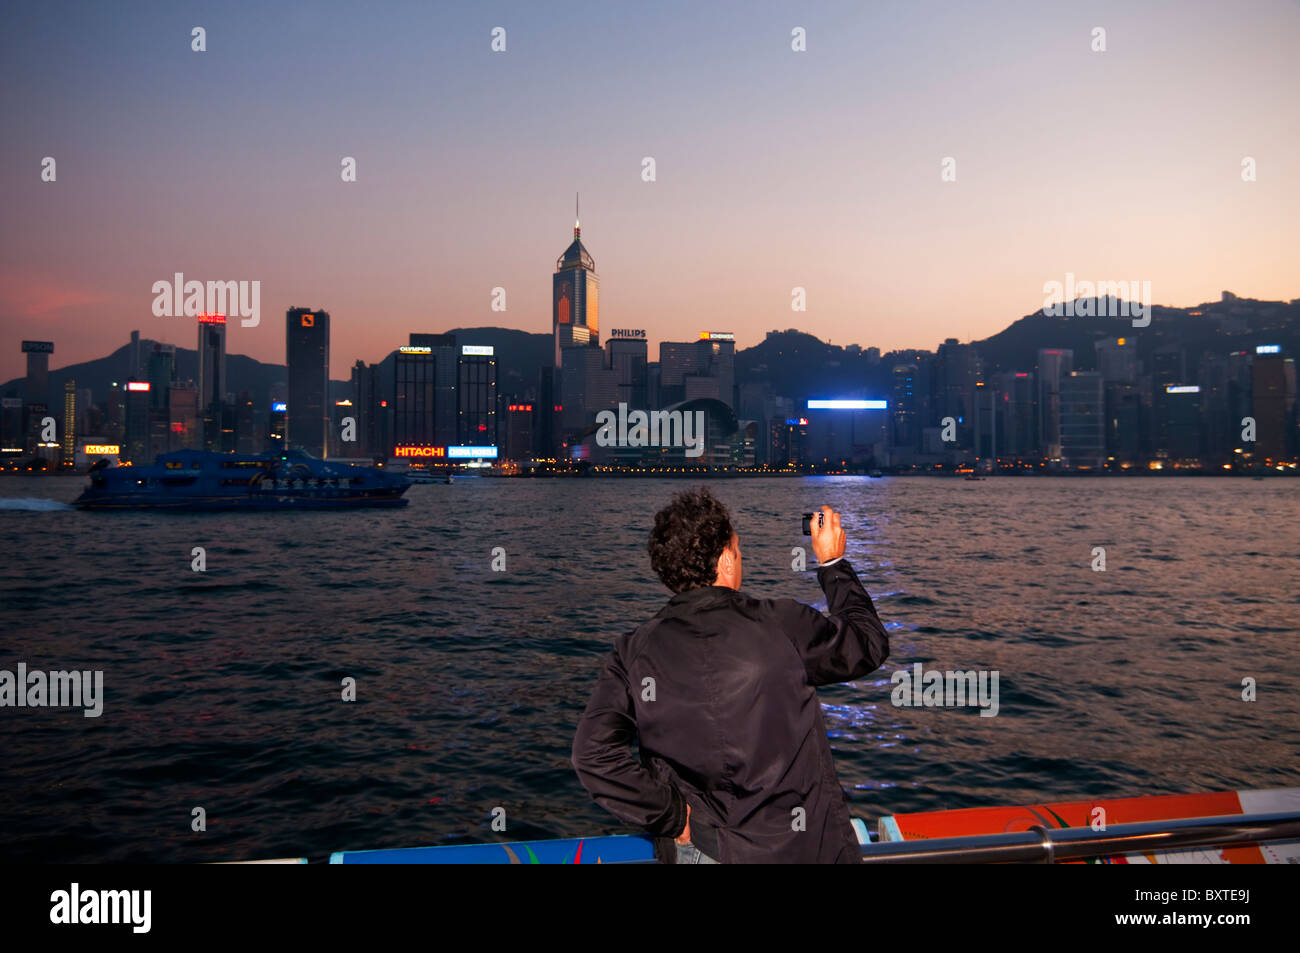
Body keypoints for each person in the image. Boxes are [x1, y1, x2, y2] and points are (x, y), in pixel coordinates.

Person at [571, 487, 889, 863]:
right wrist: (833, 564)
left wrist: (671, 813)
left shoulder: (634, 652)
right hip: (800, 847)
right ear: (725, 559)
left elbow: (592, 754)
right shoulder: (782, 625)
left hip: (703, 848)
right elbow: (868, 645)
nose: (740, 557)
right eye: (737, 549)